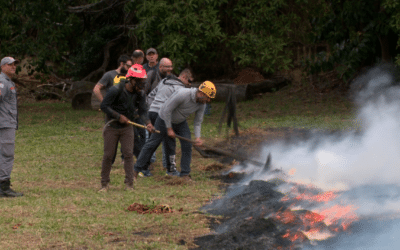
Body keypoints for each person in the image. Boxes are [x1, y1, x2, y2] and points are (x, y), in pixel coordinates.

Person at [134, 81, 216, 181]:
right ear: (201, 93)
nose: (207, 101)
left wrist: (198, 137)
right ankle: (135, 170)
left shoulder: (201, 104)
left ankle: (185, 174)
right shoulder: (183, 94)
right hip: (164, 119)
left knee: (187, 145)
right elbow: (167, 110)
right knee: (152, 144)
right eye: (207, 98)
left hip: (180, 122)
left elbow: (198, 122)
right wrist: (169, 128)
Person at [99, 64, 153, 192]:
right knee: (108, 155)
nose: (142, 85)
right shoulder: (115, 90)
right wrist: (118, 116)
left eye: (143, 82)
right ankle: (104, 184)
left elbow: (143, 111)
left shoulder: (140, 94)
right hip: (112, 126)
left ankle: (129, 184)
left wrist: (148, 123)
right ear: (131, 80)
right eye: (140, 82)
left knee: (129, 154)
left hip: (127, 127)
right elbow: (104, 106)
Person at [146, 69, 193, 175]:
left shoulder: (163, 81)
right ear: (184, 77)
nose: (189, 85)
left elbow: (151, 95)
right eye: (189, 82)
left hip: (152, 111)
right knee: (169, 142)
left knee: (151, 142)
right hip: (163, 114)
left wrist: (150, 109)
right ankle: (171, 170)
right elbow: (174, 107)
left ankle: (144, 168)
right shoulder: (180, 89)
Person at [0, 57, 23, 197]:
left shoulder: (6, 81)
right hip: (5, 124)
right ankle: (4, 187)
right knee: (7, 155)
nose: (13, 67)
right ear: (3, 67)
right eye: (10, 65)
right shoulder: (3, 82)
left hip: (5, 122)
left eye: (14, 65)